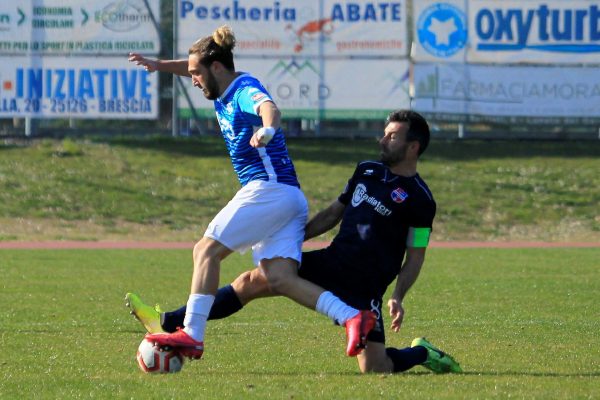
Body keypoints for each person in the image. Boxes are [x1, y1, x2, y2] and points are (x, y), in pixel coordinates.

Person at [127, 109, 462, 374]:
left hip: (366, 286)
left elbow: (415, 256)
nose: (383, 140)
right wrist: (292, 237)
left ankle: (422, 352)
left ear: (413, 146)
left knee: (377, 369)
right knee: (254, 281)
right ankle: (171, 321)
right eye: (385, 133)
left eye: (392, 136)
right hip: (332, 262)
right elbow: (333, 214)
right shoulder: (367, 171)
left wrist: (398, 297)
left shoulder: (421, 200)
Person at [127, 25, 376, 360]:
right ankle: (353, 317)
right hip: (289, 199)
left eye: (196, 74)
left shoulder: (243, 88)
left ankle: (192, 334)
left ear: (217, 68)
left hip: (268, 190)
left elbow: (269, 107)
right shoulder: (221, 86)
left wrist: (268, 129)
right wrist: (159, 65)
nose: (193, 80)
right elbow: (192, 68)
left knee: (205, 251)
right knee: (280, 278)